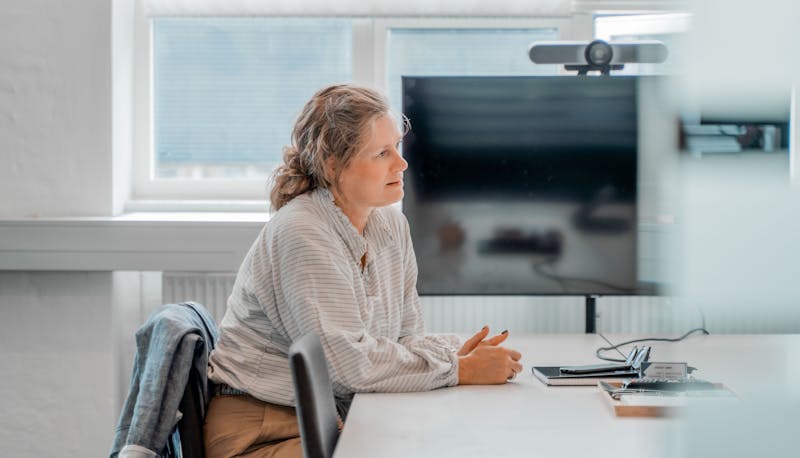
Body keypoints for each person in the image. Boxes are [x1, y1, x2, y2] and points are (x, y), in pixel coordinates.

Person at [203, 84, 523, 458]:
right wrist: (459, 369)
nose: (401, 164)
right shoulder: (303, 232)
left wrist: (458, 353)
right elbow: (343, 365)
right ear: (332, 165)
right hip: (262, 431)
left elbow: (404, 338)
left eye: (398, 148)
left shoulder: (390, 225)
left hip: (329, 417)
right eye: (382, 153)